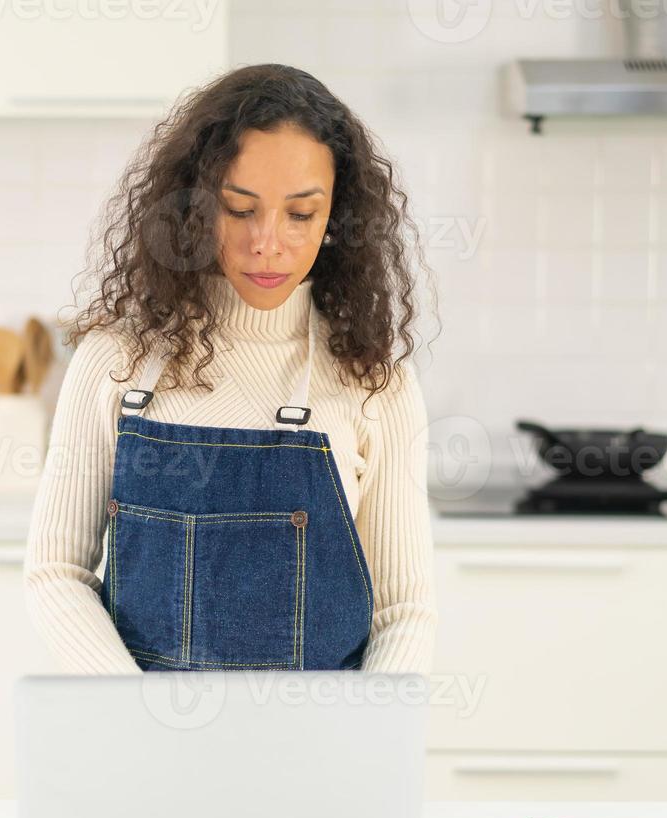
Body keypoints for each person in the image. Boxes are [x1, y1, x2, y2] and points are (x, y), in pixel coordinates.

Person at [24, 63, 438, 675]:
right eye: (240, 209)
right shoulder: (118, 360)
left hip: (318, 746)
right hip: (147, 745)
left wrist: (363, 741)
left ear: (336, 219)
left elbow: (402, 611)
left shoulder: (374, 382)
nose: (268, 243)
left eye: (301, 215)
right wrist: (141, 717)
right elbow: (56, 573)